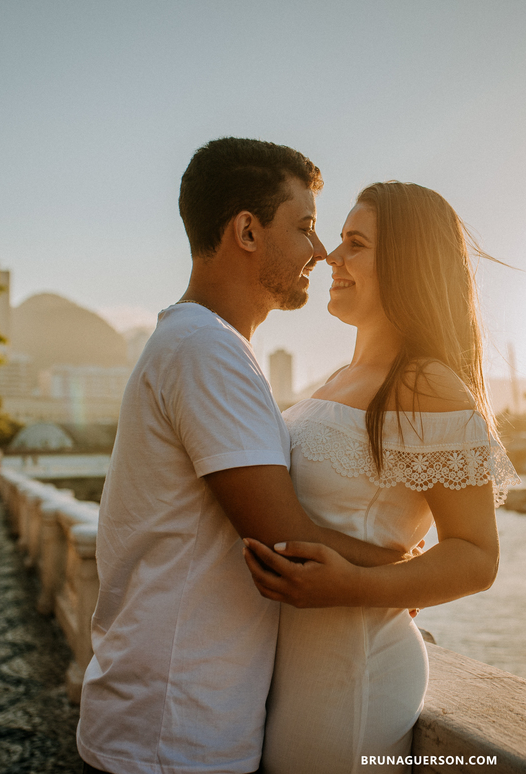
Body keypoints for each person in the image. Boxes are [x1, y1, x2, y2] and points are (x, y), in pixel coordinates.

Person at [76, 139, 411, 774]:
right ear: (248, 231)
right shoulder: (206, 348)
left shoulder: (202, 342)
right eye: (306, 226)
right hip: (173, 736)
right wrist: (395, 564)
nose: (320, 250)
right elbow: (283, 540)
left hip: (170, 724)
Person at [242, 182, 519, 773]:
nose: (330, 258)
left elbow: (476, 555)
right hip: (290, 664)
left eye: (355, 244)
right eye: (339, 241)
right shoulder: (337, 379)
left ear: (409, 265)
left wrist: (357, 586)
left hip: (353, 668)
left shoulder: (428, 386)